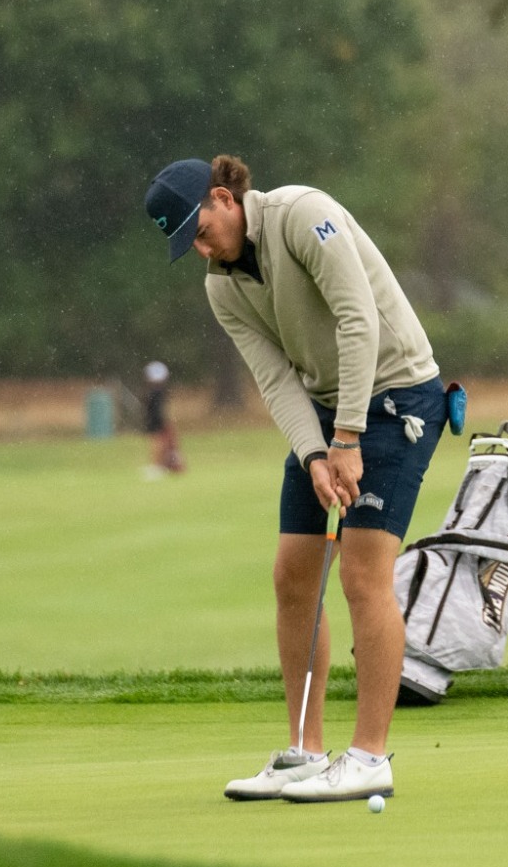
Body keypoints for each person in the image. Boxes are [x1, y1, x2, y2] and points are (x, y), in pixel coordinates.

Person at [144, 154, 445, 804]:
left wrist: (347, 439)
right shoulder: (222, 286)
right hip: (326, 411)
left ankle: (369, 757)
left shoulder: (303, 216)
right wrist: (314, 454)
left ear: (224, 197)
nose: (201, 249)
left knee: (363, 574)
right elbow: (276, 379)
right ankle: (306, 752)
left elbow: (358, 321)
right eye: (187, 244)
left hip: (396, 395)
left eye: (200, 230)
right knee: (293, 574)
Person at [141, 360, 185, 479]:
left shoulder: (156, 393)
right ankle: (158, 465)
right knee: (158, 442)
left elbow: (160, 410)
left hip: (158, 420)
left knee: (158, 443)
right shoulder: (158, 392)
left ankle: (158, 466)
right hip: (157, 420)